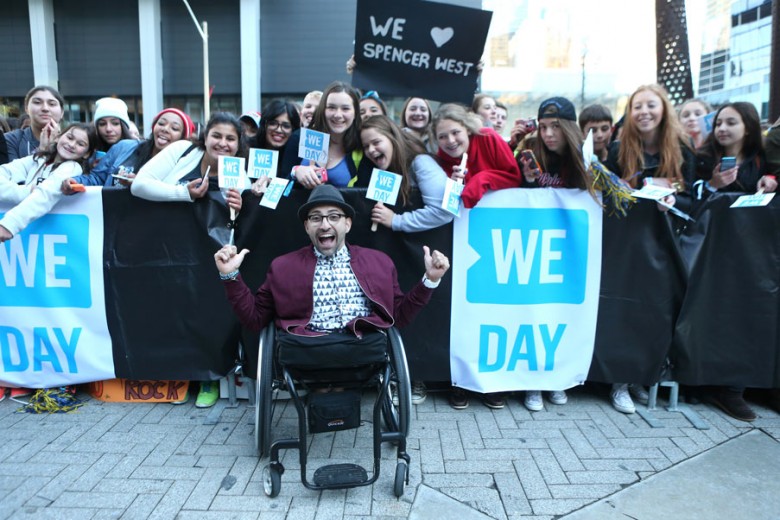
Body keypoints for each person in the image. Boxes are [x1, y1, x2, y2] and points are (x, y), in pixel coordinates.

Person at [213, 184, 450, 367]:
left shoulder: (378, 263)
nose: (325, 225)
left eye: (334, 217)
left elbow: (397, 316)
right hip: (307, 348)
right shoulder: (283, 267)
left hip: (362, 346)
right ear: (307, 227)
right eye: (316, 218)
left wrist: (430, 280)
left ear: (347, 224)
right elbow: (255, 319)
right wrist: (230, 276)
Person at [132, 112, 244, 409]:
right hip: (168, 248)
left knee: (209, 312)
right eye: (217, 136)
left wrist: (241, 203)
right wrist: (183, 193)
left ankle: (207, 378)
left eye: (230, 138)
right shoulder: (181, 151)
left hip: (209, 254)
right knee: (169, 308)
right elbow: (139, 185)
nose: (223, 143)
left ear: (238, 144)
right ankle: (176, 377)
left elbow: (241, 220)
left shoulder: (239, 171)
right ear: (204, 137)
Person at [361, 115, 453, 405]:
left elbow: (445, 208)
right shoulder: (386, 168)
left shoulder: (421, 163)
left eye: (376, 142)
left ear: (392, 137)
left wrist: (397, 220)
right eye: (366, 146)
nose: (372, 150)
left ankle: (415, 377)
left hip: (425, 255)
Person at [0, 122, 97, 243]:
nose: (71, 144)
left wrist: (10, 225)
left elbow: (46, 194)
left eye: (80, 144)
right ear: (58, 137)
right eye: (69, 137)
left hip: (45, 240)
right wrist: (27, 191)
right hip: (23, 240)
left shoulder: (73, 168)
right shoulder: (37, 159)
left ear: (87, 153)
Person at [605, 84, 695, 205]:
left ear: (664, 110)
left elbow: (687, 193)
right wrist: (619, 188)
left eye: (651, 105)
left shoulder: (683, 146)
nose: (644, 111)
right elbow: (608, 198)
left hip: (670, 221)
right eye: (637, 107)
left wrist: (672, 199)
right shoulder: (618, 150)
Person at [64, 108, 195, 190]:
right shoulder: (124, 147)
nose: (165, 129)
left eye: (174, 128)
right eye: (161, 123)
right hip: (112, 223)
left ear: (183, 137)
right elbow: (97, 179)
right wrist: (76, 181)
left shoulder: (185, 165)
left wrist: (141, 184)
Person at [281, 81, 373, 189]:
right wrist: (295, 172)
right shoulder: (300, 138)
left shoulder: (362, 146)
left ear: (355, 113)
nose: (338, 115)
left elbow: (363, 194)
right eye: (331, 107)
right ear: (322, 110)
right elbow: (280, 185)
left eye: (345, 108)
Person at [433, 103, 521, 210]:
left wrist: (481, 179)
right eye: (442, 137)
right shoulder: (440, 158)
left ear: (468, 130)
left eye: (455, 132)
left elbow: (515, 178)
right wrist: (452, 185)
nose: (451, 141)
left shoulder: (488, 137)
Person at [695, 101, 776, 195]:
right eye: (718, 124)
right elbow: (694, 200)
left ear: (748, 128)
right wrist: (713, 185)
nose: (722, 128)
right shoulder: (702, 159)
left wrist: (770, 179)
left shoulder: (762, 157)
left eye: (731, 123)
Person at [2, 85, 65, 165]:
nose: (45, 108)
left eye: (52, 104)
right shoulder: (11, 140)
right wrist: (41, 150)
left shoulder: (72, 142)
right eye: (37, 102)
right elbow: (11, 174)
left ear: (62, 112)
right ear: (26, 108)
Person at [91, 97, 133, 168]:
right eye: (102, 124)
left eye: (115, 123)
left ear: (124, 126)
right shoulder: (89, 154)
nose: (108, 129)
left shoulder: (138, 151)